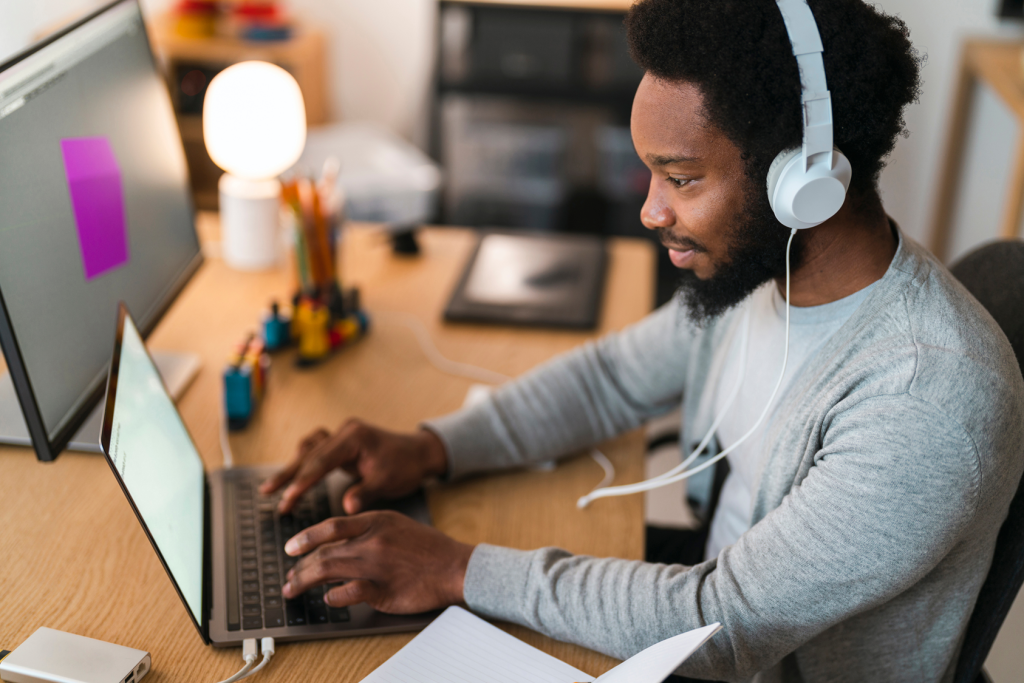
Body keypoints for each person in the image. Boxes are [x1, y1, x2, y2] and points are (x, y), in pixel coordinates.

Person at [261, 1, 1024, 680]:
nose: (651, 211)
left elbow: (725, 622)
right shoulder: (768, 270)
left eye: (681, 179)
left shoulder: (926, 397)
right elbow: (614, 378)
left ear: (806, 179)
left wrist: (458, 568)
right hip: (695, 599)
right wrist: (431, 446)